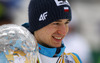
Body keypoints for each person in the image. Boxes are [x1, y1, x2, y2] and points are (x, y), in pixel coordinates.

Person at [0, 0, 82, 63]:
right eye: (56, 23)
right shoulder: (10, 57)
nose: (64, 32)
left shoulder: (73, 60)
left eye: (66, 23)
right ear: (37, 24)